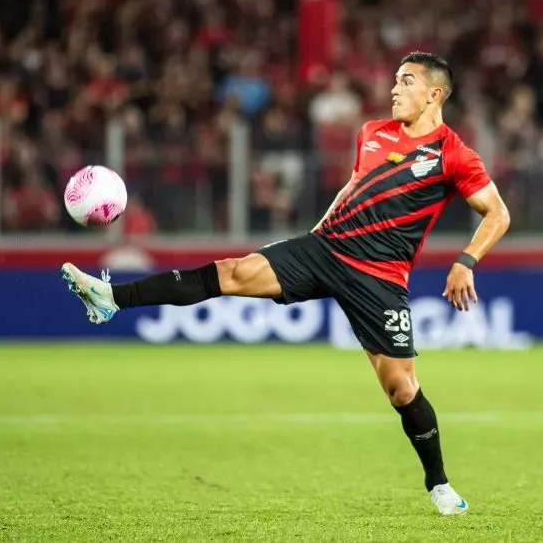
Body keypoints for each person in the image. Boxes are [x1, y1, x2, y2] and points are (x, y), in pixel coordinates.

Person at [61, 52, 511, 516]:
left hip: (379, 276)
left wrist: (466, 261)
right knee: (231, 272)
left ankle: (438, 484)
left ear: (434, 94)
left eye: (407, 81)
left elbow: (498, 213)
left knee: (401, 389)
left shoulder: (452, 153)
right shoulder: (373, 133)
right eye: (395, 80)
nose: (394, 89)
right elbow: (356, 184)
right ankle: (111, 297)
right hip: (325, 248)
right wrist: (319, 229)